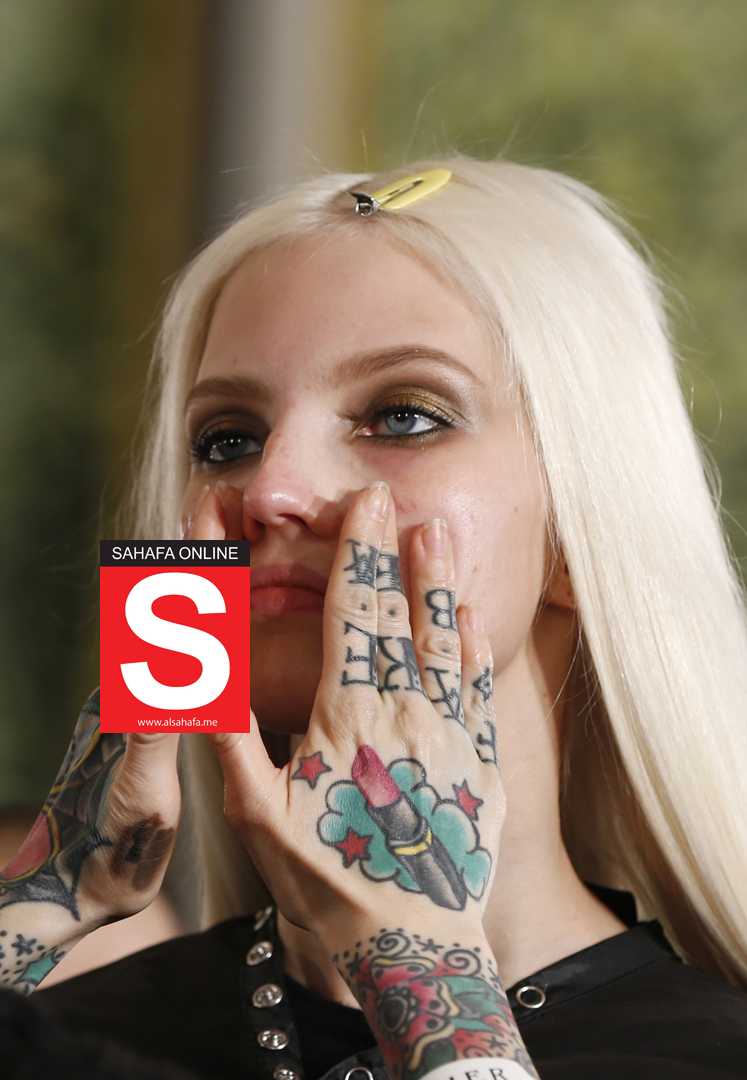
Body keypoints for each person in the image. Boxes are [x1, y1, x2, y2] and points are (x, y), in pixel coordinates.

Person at [2, 154, 747, 1079]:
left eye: (403, 416)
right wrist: (49, 895)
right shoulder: (71, 1036)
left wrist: (409, 951)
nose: (270, 489)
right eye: (226, 440)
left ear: (575, 537)